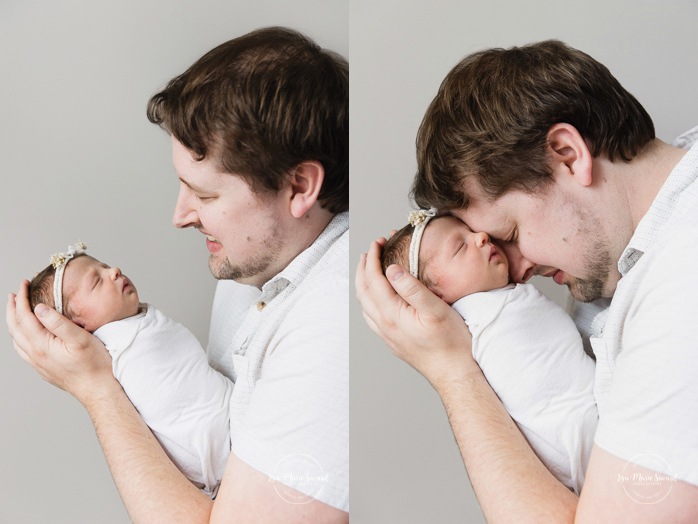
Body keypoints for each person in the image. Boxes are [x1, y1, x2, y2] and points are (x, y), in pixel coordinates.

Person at [8, 26, 348, 523]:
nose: (180, 215)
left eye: (205, 195)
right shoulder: (252, 270)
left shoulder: (331, 326)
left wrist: (98, 392)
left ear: (299, 185)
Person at [357, 39, 698, 521]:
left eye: (511, 233)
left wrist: (453, 373)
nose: (516, 268)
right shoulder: (630, 248)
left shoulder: (683, 282)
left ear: (566, 153)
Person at [29, 243, 232, 497]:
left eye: (104, 266)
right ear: (78, 326)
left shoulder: (136, 317)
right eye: (96, 282)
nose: (114, 271)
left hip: (227, 413)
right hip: (210, 449)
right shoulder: (113, 350)